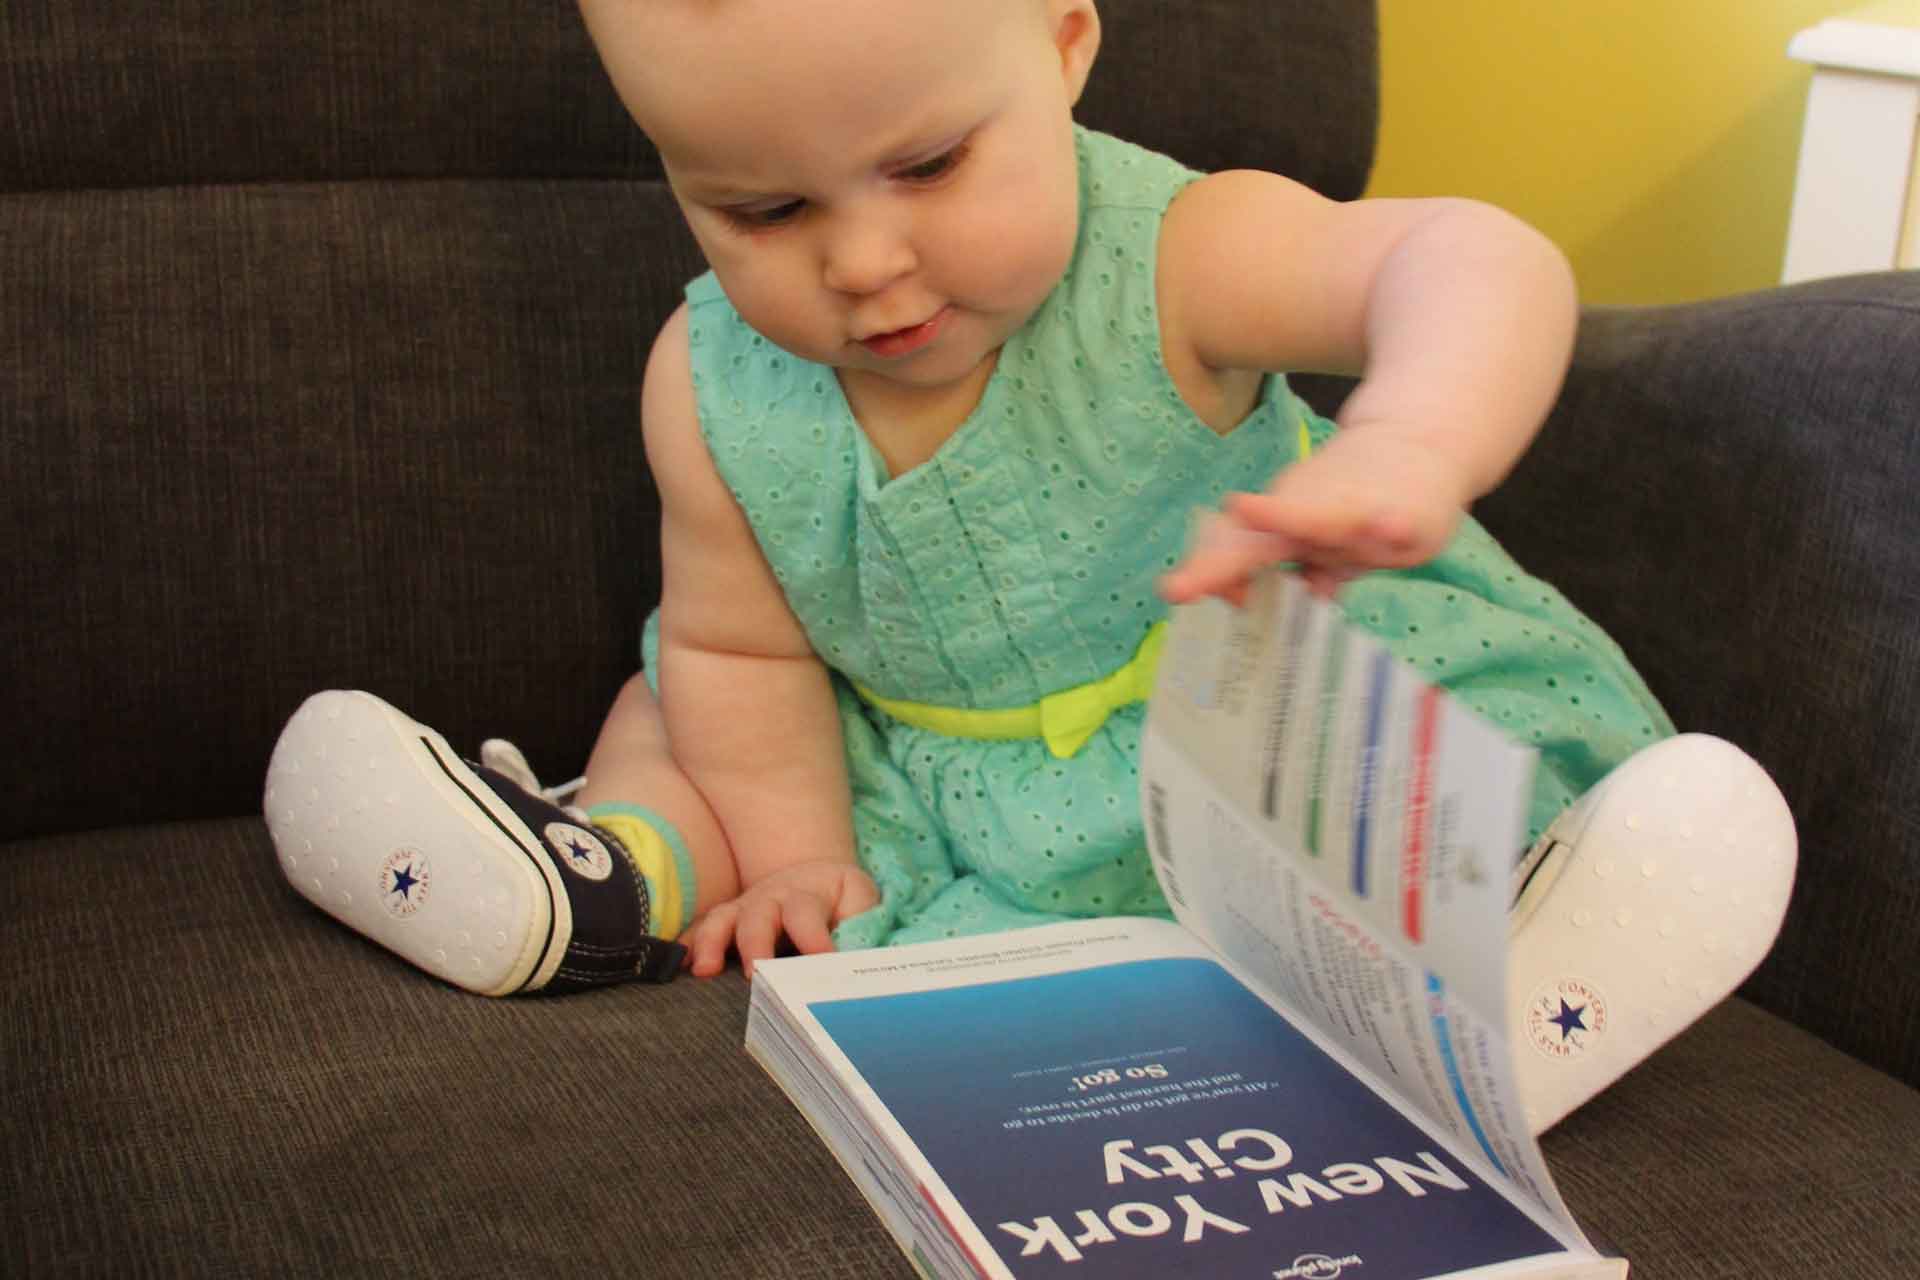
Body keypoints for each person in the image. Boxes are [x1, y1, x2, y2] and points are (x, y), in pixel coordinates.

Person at [264, 0, 1795, 1129]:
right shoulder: (707, 380)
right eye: (764, 207)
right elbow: (748, 656)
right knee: (675, 708)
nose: (862, 265)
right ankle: (592, 876)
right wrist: (797, 857)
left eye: (928, 164)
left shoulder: (1181, 257)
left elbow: (1469, 258)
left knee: (1400, 788)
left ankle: (1505, 966)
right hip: (916, 759)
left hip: (1243, 716)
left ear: (1063, 48)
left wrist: (1410, 440)